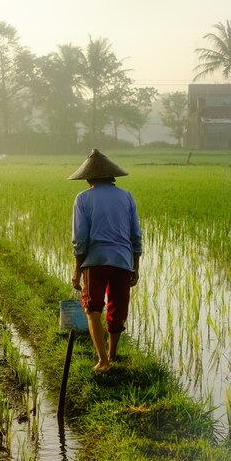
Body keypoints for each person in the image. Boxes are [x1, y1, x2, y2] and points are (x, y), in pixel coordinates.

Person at [69, 149, 142, 372]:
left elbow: (80, 238)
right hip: (122, 260)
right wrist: (135, 266)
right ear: (112, 177)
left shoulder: (83, 199)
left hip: (95, 260)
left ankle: (103, 361)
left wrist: (77, 269)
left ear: (89, 178)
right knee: (117, 307)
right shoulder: (126, 196)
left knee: (92, 308)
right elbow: (135, 234)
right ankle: (112, 353)